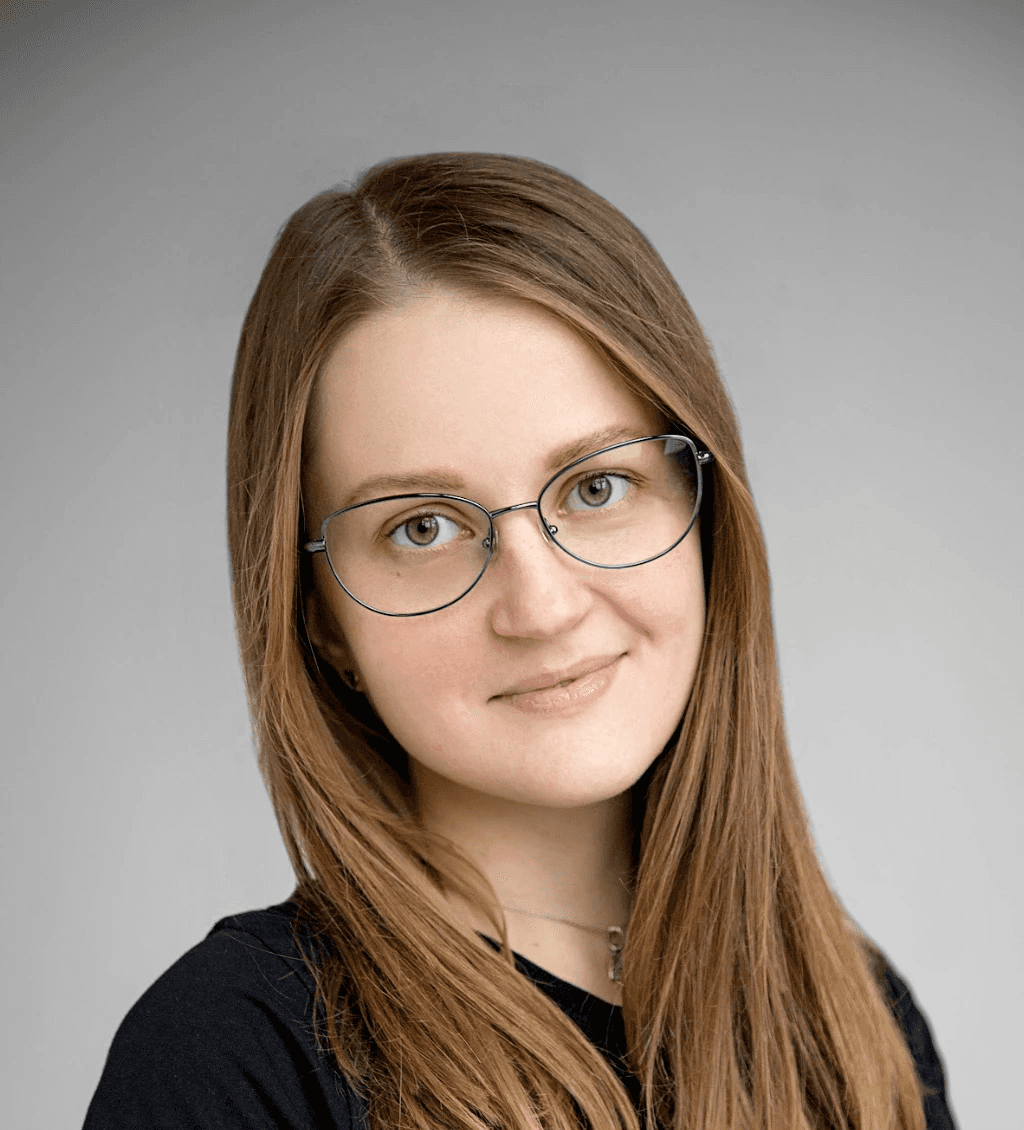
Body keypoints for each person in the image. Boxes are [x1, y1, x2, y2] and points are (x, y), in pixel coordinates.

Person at [83, 152, 957, 1130]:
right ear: (319, 610)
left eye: (596, 487)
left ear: (705, 515)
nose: (539, 606)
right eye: (422, 526)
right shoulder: (231, 1057)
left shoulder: (853, 1018)